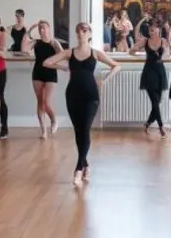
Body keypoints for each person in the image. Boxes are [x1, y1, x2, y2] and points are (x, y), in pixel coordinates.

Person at [43, 22, 120, 187]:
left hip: (91, 96)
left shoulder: (96, 53)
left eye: (84, 30)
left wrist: (104, 81)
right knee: (79, 132)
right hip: (72, 95)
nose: (81, 33)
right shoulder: (69, 53)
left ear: (90, 33)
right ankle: (86, 165)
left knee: (84, 129)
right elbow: (46, 63)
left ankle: (78, 169)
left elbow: (116, 66)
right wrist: (64, 67)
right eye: (78, 31)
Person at [22, 20, 64, 138]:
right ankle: (43, 130)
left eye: (44, 28)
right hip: (38, 72)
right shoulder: (36, 42)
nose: (41, 30)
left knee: (46, 102)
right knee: (40, 101)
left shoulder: (54, 42)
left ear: (49, 29)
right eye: (40, 28)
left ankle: (54, 119)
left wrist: (54, 64)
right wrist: (29, 30)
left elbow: (62, 55)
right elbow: (24, 49)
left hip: (51, 73)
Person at [130, 20, 168, 138]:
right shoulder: (145, 40)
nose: (151, 30)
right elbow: (131, 51)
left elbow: (167, 53)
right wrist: (138, 54)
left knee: (157, 101)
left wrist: (163, 56)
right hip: (149, 72)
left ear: (159, 29)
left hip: (160, 72)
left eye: (153, 28)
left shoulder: (163, 41)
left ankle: (147, 124)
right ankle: (161, 126)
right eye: (150, 28)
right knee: (155, 102)